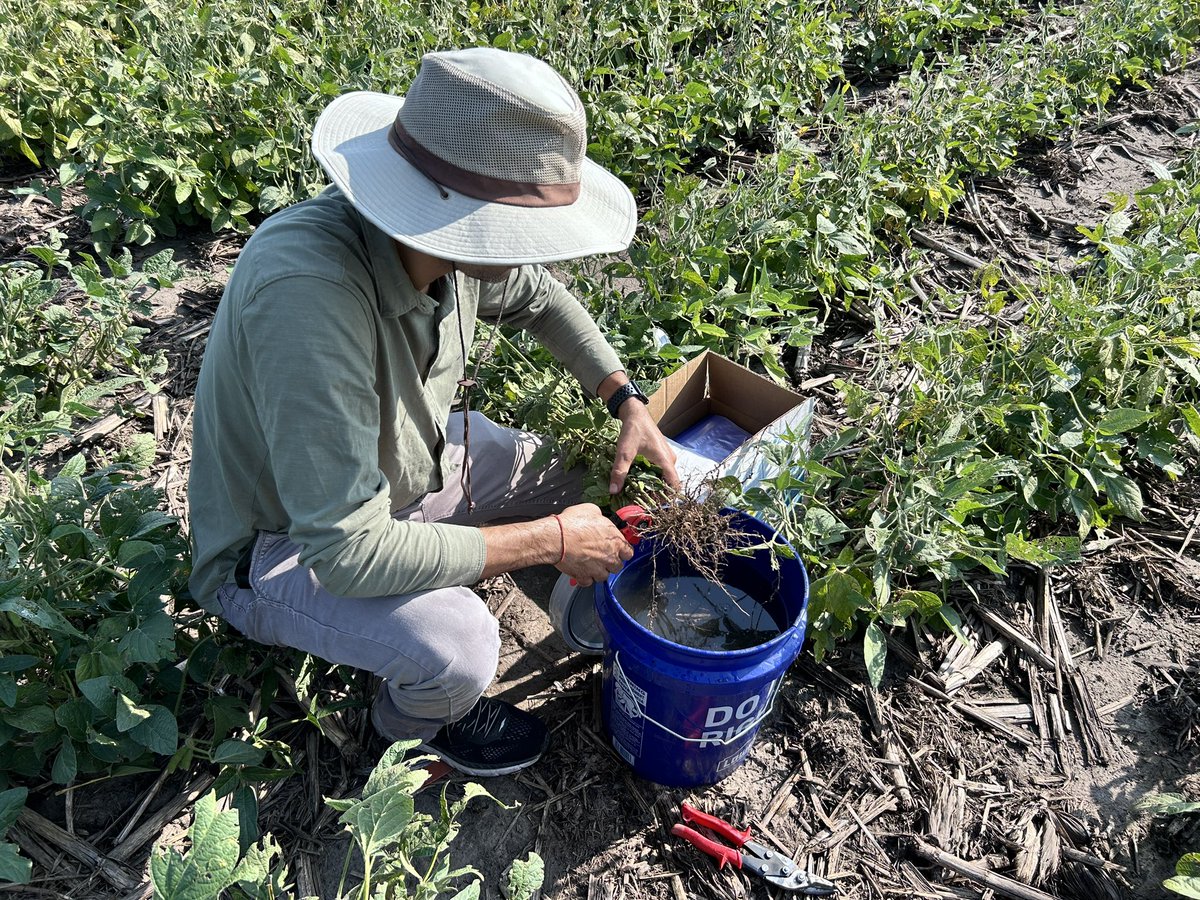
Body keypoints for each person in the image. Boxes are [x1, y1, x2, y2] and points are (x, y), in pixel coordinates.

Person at [187, 47, 680, 776]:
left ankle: (573, 598)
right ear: (459, 215)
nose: (528, 251)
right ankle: (400, 732)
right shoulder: (308, 297)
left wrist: (625, 398)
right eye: (517, 227)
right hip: (281, 543)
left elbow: (541, 299)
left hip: (399, 470)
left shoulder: (444, 251)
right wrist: (546, 540)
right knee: (460, 648)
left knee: (568, 472)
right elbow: (347, 549)